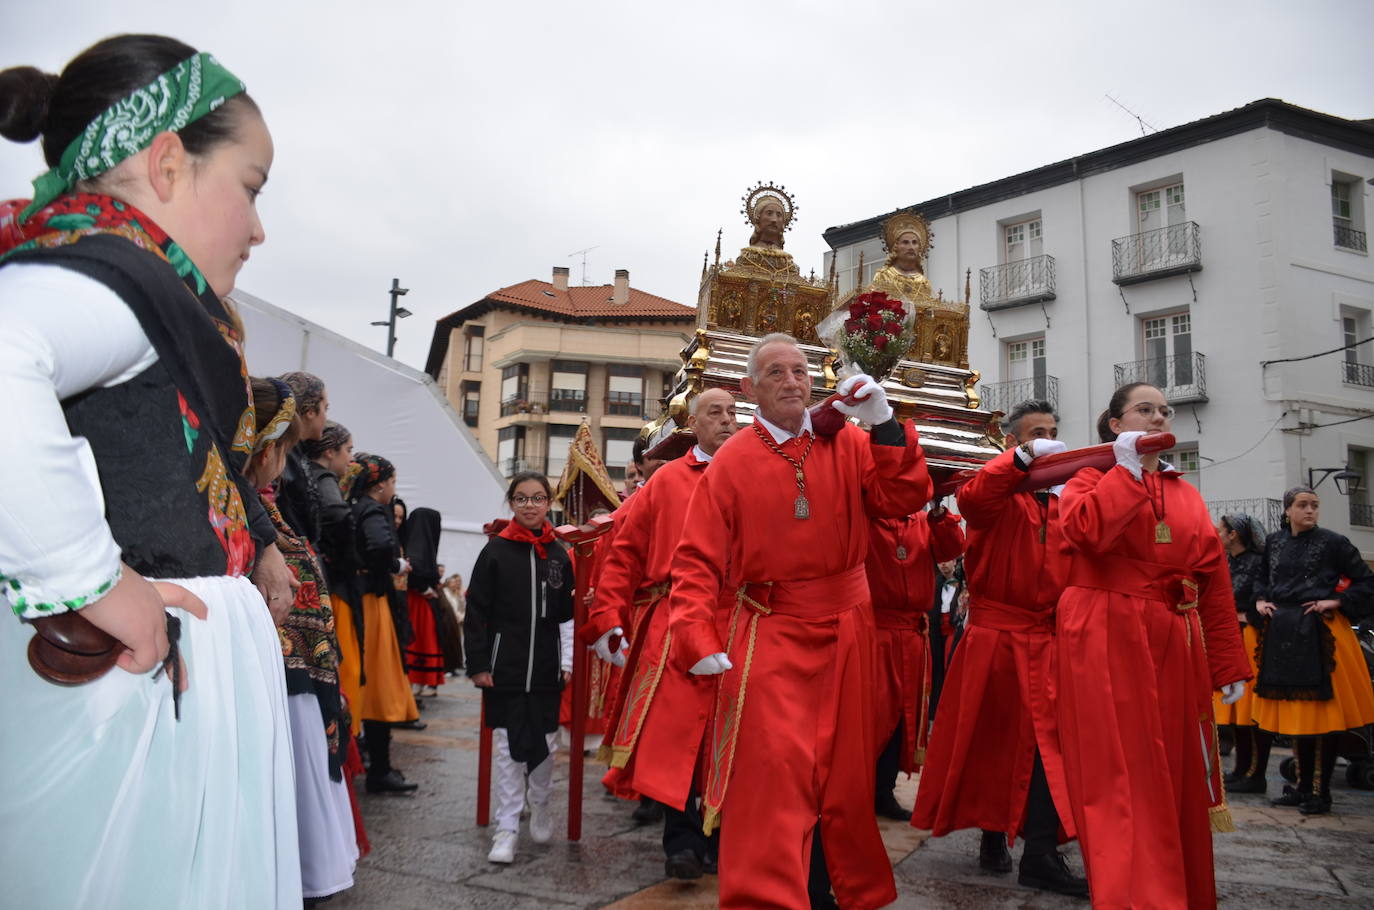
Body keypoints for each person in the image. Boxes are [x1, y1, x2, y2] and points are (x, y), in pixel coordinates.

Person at [0, 36, 299, 907]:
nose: (258, 227)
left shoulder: (107, 274)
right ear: (168, 163)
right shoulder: (116, 274)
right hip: (126, 706)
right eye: (249, 186)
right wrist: (89, 583)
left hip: (133, 692)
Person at [632, 333, 932, 910]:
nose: (792, 381)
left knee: (844, 778)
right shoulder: (733, 461)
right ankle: (769, 897)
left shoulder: (846, 441)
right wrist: (695, 636)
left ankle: (828, 892)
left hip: (849, 631)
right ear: (750, 389)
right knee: (774, 777)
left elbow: (902, 497)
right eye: (775, 373)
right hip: (772, 632)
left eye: (800, 371)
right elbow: (695, 559)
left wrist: (887, 425)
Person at [1055, 383, 1249, 908]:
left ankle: (1178, 889)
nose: (1160, 416)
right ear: (1115, 425)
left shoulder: (1186, 491)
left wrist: (1227, 661)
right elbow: (1087, 534)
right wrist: (1125, 473)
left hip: (1173, 637)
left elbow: (1211, 577)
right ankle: (1135, 893)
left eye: (1165, 410)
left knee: (1177, 771)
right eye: (1145, 409)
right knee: (1123, 772)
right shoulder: (1086, 480)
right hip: (1107, 632)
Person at [912, 399, 1086, 897]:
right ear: (1013, 442)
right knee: (992, 742)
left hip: (1049, 638)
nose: (1050, 439)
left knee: (1047, 748)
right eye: (1037, 433)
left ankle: (1040, 850)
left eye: (1054, 431)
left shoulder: (1067, 499)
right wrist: (1021, 460)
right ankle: (993, 833)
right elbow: (974, 500)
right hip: (998, 638)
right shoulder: (995, 492)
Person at [587, 387, 738, 879]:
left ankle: (724, 841)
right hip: (676, 622)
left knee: (732, 733)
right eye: (715, 412)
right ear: (693, 423)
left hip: (740, 621)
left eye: (733, 412)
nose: (727, 420)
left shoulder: (755, 475)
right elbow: (624, 550)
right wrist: (609, 615)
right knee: (680, 737)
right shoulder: (667, 479)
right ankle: (684, 842)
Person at [246, 378, 358, 902]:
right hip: (284, 664)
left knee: (306, 750)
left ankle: (308, 863)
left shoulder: (266, 510)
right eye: (283, 448)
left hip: (299, 663)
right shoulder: (258, 511)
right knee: (296, 752)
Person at [465, 471, 575, 864]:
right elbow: (475, 612)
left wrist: (566, 662)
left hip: (546, 671)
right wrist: (478, 663)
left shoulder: (559, 554)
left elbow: (567, 617)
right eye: (522, 498)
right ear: (511, 503)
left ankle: (540, 803)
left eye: (538, 498)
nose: (531, 505)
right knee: (509, 749)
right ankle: (507, 826)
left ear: (549, 503)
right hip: (504, 669)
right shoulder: (495, 551)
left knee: (545, 746)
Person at [1252, 486, 1374, 814]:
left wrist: (1336, 600)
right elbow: (1261, 578)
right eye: (1303, 505)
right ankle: (1302, 787)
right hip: (1282, 632)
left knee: (1323, 715)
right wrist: (1262, 600)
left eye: (1315, 506)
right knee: (1297, 714)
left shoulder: (1334, 542)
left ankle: (1321, 792)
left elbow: (1366, 581)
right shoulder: (1275, 543)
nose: (1310, 511)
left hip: (1321, 634)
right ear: (1288, 510)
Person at [867, 500, 964, 823]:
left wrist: (939, 512)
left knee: (904, 718)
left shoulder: (925, 520)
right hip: (874, 632)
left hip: (912, 633)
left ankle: (884, 790)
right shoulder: (866, 515)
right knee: (871, 718)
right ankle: (860, 790)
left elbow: (953, 547)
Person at [350, 454, 421, 793]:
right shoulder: (373, 509)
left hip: (360, 600)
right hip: (372, 603)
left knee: (367, 684)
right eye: (392, 481)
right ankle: (380, 768)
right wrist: (395, 564)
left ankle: (369, 762)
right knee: (379, 685)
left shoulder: (354, 505)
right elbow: (378, 546)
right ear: (380, 484)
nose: (394, 488)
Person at [303, 420, 362, 735]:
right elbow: (338, 516)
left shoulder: (303, 473)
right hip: (332, 587)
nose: (351, 459)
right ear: (329, 452)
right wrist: (343, 559)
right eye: (348, 450)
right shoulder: (322, 479)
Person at [1214, 512, 1272, 793]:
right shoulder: (1224, 561)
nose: (1218, 533)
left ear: (1233, 534)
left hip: (1251, 637)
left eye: (1221, 529)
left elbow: (1265, 597)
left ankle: (1256, 772)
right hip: (1229, 636)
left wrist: (1247, 614)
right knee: (1235, 708)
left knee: (1251, 707)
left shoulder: (1258, 563)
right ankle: (1240, 768)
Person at [277, 371, 329, 547]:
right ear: (310, 411)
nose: (326, 417)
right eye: (325, 408)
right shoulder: (285, 451)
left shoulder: (296, 451)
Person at [402, 506, 447, 697]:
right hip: (418, 601)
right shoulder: (418, 548)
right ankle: (418, 680)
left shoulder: (414, 544)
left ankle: (421, 681)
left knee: (424, 640)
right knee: (422, 641)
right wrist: (426, 588)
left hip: (419, 602)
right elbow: (416, 573)